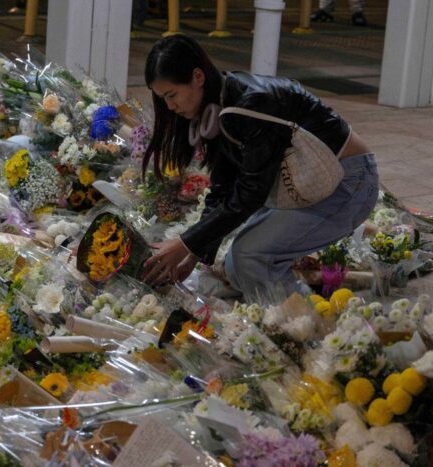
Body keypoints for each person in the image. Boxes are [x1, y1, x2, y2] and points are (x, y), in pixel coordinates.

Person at [140, 34, 378, 299]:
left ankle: (301, 328)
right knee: (236, 266)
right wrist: (193, 255)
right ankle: (281, 315)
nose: (170, 106)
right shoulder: (221, 105)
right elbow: (223, 188)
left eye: (172, 95)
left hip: (349, 182)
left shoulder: (249, 106)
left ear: (198, 77)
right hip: (312, 184)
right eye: (163, 99)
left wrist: (184, 244)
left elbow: (250, 194)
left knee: (251, 257)